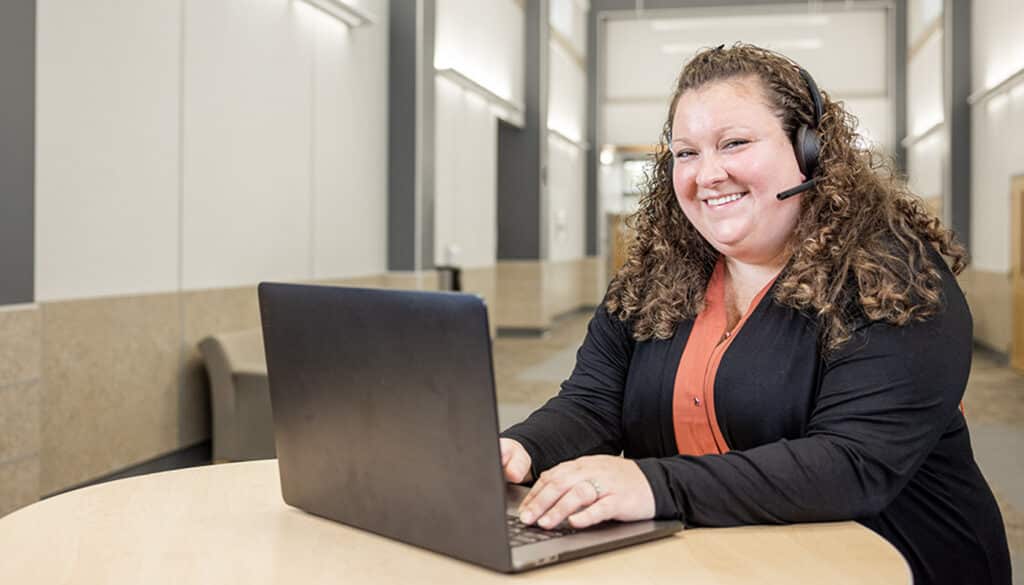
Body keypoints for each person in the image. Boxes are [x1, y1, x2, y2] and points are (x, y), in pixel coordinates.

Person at [499, 43, 1011, 585]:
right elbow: (592, 405)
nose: (707, 174)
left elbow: (852, 464)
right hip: (722, 562)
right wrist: (522, 448)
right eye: (686, 153)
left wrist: (654, 485)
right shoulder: (656, 276)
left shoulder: (892, 277)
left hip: (892, 564)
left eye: (735, 143)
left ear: (809, 149)